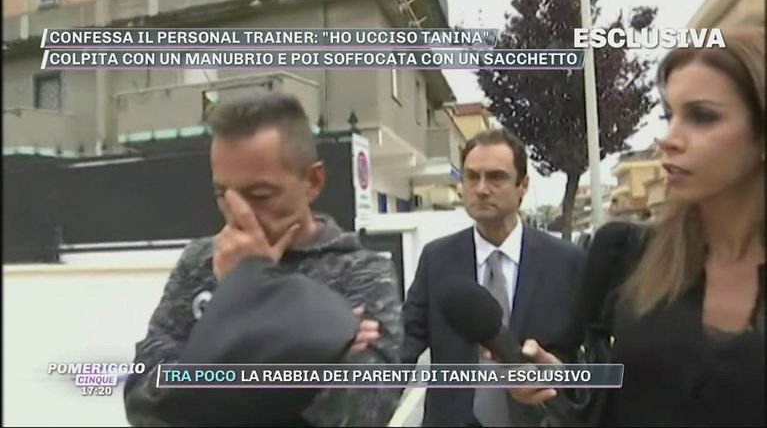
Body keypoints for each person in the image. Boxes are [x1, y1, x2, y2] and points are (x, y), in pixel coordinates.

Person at [510, 27, 765, 427]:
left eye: (702, 116)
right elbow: (582, 373)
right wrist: (550, 374)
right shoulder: (625, 252)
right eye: (669, 115)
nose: (669, 138)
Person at [123, 92, 403, 426]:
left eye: (259, 195)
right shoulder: (199, 260)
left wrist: (248, 297)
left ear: (313, 181)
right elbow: (146, 400)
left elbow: (358, 412)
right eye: (222, 194)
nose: (237, 212)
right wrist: (314, 335)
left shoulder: (362, 271)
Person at [401, 128, 586, 426]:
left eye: (496, 177)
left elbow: (584, 354)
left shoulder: (567, 262)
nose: (481, 189)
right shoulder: (437, 259)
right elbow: (405, 341)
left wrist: (559, 375)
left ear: (523, 185)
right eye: (472, 177)